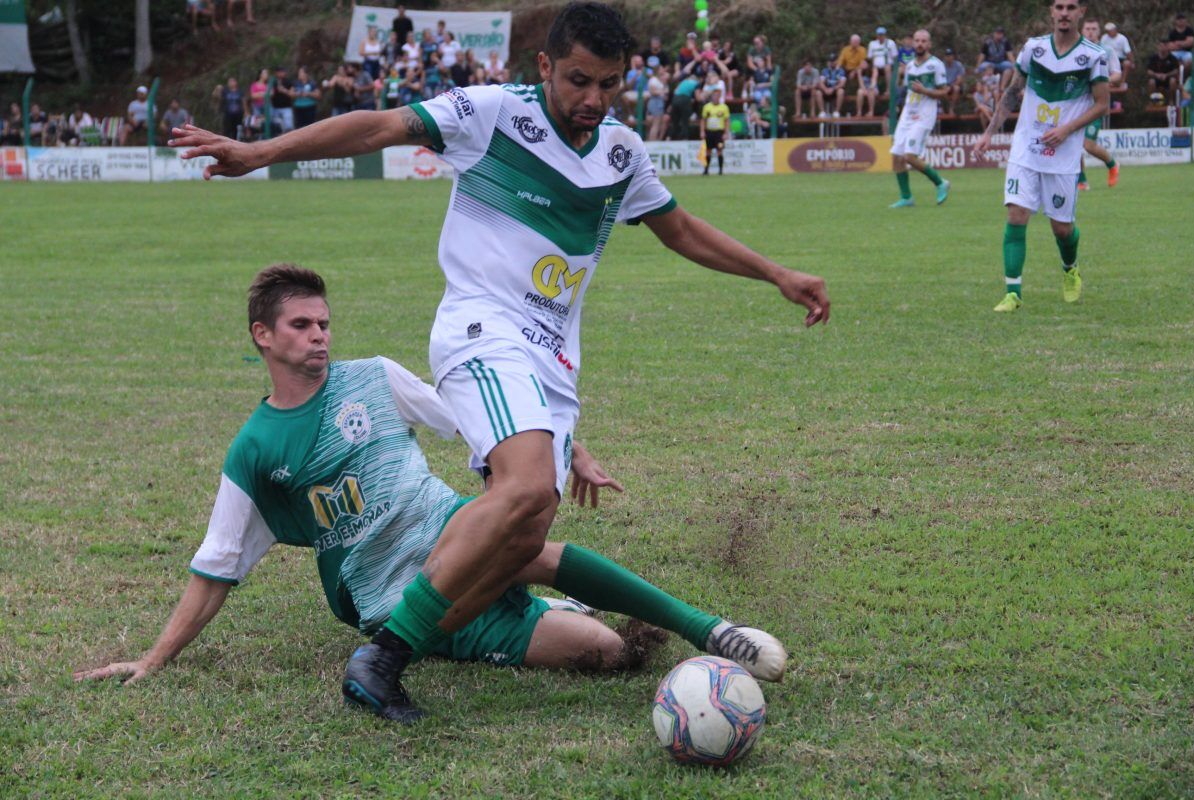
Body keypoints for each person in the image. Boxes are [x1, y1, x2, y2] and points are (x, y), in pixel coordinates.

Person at [169, 2, 829, 721]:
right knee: (525, 491)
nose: (593, 100)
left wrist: (776, 275)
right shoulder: (489, 114)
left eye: (610, 84)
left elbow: (680, 230)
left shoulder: (619, 153)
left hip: (552, 364)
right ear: (544, 66)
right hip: (481, 331)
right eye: (579, 80)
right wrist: (261, 153)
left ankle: (429, 611)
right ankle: (384, 658)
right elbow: (380, 125)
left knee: (526, 526)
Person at [73, 264, 791, 722]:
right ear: (263, 336)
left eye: (324, 323)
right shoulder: (257, 451)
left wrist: (573, 449)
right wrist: (155, 658)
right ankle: (537, 615)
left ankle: (710, 630)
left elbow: (485, 425)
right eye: (301, 326)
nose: (319, 336)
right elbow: (216, 565)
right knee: (604, 653)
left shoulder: (373, 377)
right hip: (403, 595)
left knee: (517, 530)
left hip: (456, 526)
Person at [972, 0, 1110, 313]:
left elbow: (1101, 104)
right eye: (1059, 6)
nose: (1064, 12)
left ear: (1081, 12)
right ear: (1051, 12)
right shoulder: (1032, 50)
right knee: (1016, 214)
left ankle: (1070, 267)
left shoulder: (1094, 55)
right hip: (1026, 147)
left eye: (1070, 7)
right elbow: (1012, 93)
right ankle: (1013, 293)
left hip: (1063, 154)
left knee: (1061, 229)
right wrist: (990, 132)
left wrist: (1066, 130)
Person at [888, 30, 950, 208]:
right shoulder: (909, 66)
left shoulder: (936, 65)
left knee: (909, 156)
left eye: (923, 41)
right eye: (917, 41)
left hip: (924, 116)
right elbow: (909, 90)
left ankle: (940, 183)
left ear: (929, 44)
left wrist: (925, 91)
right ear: (912, 44)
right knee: (897, 156)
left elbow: (945, 92)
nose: (920, 44)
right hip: (908, 114)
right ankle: (906, 197)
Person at [1077, 20, 1119, 190]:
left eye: (1094, 29)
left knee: (1088, 145)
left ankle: (1112, 165)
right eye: (1087, 29)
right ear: (1081, 30)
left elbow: (1117, 75)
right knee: (1073, 144)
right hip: (1076, 104)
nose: (1091, 32)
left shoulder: (1107, 51)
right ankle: (1081, 180)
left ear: (1099, 32)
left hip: (1096, 105)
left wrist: (1101, 80)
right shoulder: (1075, 50)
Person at [701, 86, 729, 175]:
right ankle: (706, 170)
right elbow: (703, 120)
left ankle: (720, 170)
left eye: (717, 95)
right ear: (711, 96)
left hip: (719, 132)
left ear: (720, 96)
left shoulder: (724, 107)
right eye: (714, 95)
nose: (715, 97)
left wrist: (726, 132)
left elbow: (727, 120)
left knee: (719, 150)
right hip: (709, 132)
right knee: (708, 150)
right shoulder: (706, 107)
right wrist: (702, 131)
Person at [669, 68, 702, 139]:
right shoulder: (697, 83)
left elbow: (675, 91)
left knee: (675, 121)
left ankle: (672, 138)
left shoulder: (684, 81)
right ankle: (685, 138)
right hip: (684, 99)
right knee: (685, 120)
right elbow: (698, 98)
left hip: (675, 99)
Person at [867, 26, 898, 98]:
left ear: (885, 35)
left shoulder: (890, 43)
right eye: (879, 34)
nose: (880, 36)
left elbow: (895, 56)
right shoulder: (872, 44)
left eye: (882, 34)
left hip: (888, 65)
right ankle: (873, 87)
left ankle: (888, 89)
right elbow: (870, 57)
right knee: (875, 70)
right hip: (876, 66)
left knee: (887, 68)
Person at [1102, 22, 1133, 88]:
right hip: (1108, 58)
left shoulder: (1122, 38)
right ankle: (1107, 82)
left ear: (1115, 29)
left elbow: (1128, 51)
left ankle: (1122, 82)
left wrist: (1132, 62)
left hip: (1120, 59)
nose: (1110, 32)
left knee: (1127, 63)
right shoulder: (1104, 38)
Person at [817, 53, 846, 117]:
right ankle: (822, 112)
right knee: (818, 92)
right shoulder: (824, 70)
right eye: (830, 61)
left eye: (833, 61)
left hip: (835, 91)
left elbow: (842, 83)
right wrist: (825, 89)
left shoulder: (841, 71)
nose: (832, 62)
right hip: (826, 90)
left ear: (837, 61)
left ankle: (836, 111)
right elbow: (821, 82)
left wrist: (833, 89)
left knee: (841, 91)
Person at [645, 64, 669, 140]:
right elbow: (652, 91)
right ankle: (652, 142)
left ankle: (653, 140)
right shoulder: (653, 80)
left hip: (659, 102)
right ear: (657, 70)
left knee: (657, 123)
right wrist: (661, 92)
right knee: (656, 124)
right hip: (655, 102)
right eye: (661, 69)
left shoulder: (659, 80)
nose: (663, 70)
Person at [271, 66, 295, 134]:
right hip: (275, 108)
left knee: (288, 126)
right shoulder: (272, 82)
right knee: (276, 127)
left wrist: (283, 90)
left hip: (286, 108)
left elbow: (292, 94)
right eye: (279, 72)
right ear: (276, 73)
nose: (281, 73)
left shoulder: (289, 82)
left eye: (282, 72)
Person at [973, 65, 998, 130]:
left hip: (987, 109)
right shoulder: (975, 94)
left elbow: (985, 101)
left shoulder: (988, 93)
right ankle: (991, 119)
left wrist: (985, 90)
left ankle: (985, 130)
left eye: (979, 86)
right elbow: (978, 105)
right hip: (979, 109)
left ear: (982, 86)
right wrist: (982, 106)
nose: (978, 87)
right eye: (977, 86)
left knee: (982, 114)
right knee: (981, 107)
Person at [942, 48, 965, 112]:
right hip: (945, 85)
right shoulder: (942, 65)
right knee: (941, 89)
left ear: (953, 56)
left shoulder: (958, 65)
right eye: (947, 56)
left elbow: (959, 79)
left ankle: (951, 108)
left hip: (954, 84)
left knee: (956, 88)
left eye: (950, 55)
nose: (949, 57)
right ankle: (944, 108)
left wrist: (951, 86)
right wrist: (945, 86)